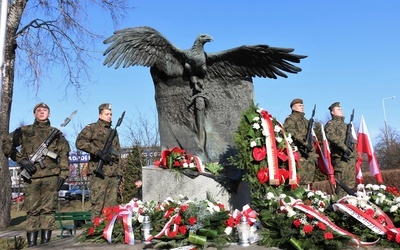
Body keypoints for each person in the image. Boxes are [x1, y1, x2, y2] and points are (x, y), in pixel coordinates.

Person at [2, 102, 70, 247]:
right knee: (32, 211)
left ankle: (47, 244)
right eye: (38, 110)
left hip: (51, 177)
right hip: (31, 177)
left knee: (49, 211)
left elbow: (64, 155)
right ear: (34, 114)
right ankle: (32, 246)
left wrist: (63, 176)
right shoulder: (24, 131)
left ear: (49, 114)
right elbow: (6, 143)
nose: (42, 112)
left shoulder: (56, 133)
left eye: (45, 110)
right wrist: (21, 160)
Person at [75, 103, 123, 221]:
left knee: (111, 205)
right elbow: (80, 142)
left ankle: (109, 231)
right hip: (98, 172)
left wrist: (120, 172)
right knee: (97, 203)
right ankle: (95, 230)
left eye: (111, 114)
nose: (109, 116)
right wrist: (98, 152)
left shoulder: (113, 132)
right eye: (107, 114)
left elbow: (118, 152)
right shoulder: (92, 128)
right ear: (100, 114)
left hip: (112, 173)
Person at [283, 98, 317, 190]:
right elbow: (291, 132)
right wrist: (304, 142)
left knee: (308, 181)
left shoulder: (305, 121)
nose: (302, 107)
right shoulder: (290, 119)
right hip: (298, 154)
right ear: (293, 108)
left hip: (308, 156)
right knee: (299, 180)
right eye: (299, 105)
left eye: (302, 105)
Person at [325, 102, 356, 197]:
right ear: (332, 112)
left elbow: (352, 141)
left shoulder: (346, 125)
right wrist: (344, 148)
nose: (341, 110)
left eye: (341, 109)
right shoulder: (331, 124)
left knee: (350, 184)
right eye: (338, 109)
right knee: (342, 184)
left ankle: (351, 204)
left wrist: (355, 154)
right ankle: (341, 205)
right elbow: (331, 136)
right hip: (340, 157)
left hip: (350, 158)